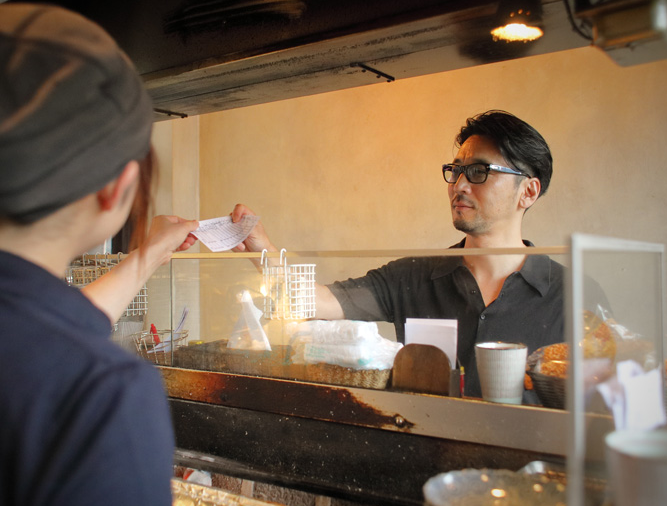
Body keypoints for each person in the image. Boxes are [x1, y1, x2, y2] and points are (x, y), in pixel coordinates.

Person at [0, 3, 198, 506]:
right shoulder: (103, 394)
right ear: (116, 188)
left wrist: (147, 256)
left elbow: (27, 328)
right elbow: (39, 344)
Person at [230, 110, 563, 399]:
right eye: (456, 170)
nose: (459, 185)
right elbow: (317, 302)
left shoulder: (569, 294)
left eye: (478, 172)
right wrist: (263, 251)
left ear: (528, 192)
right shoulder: (414, 276)